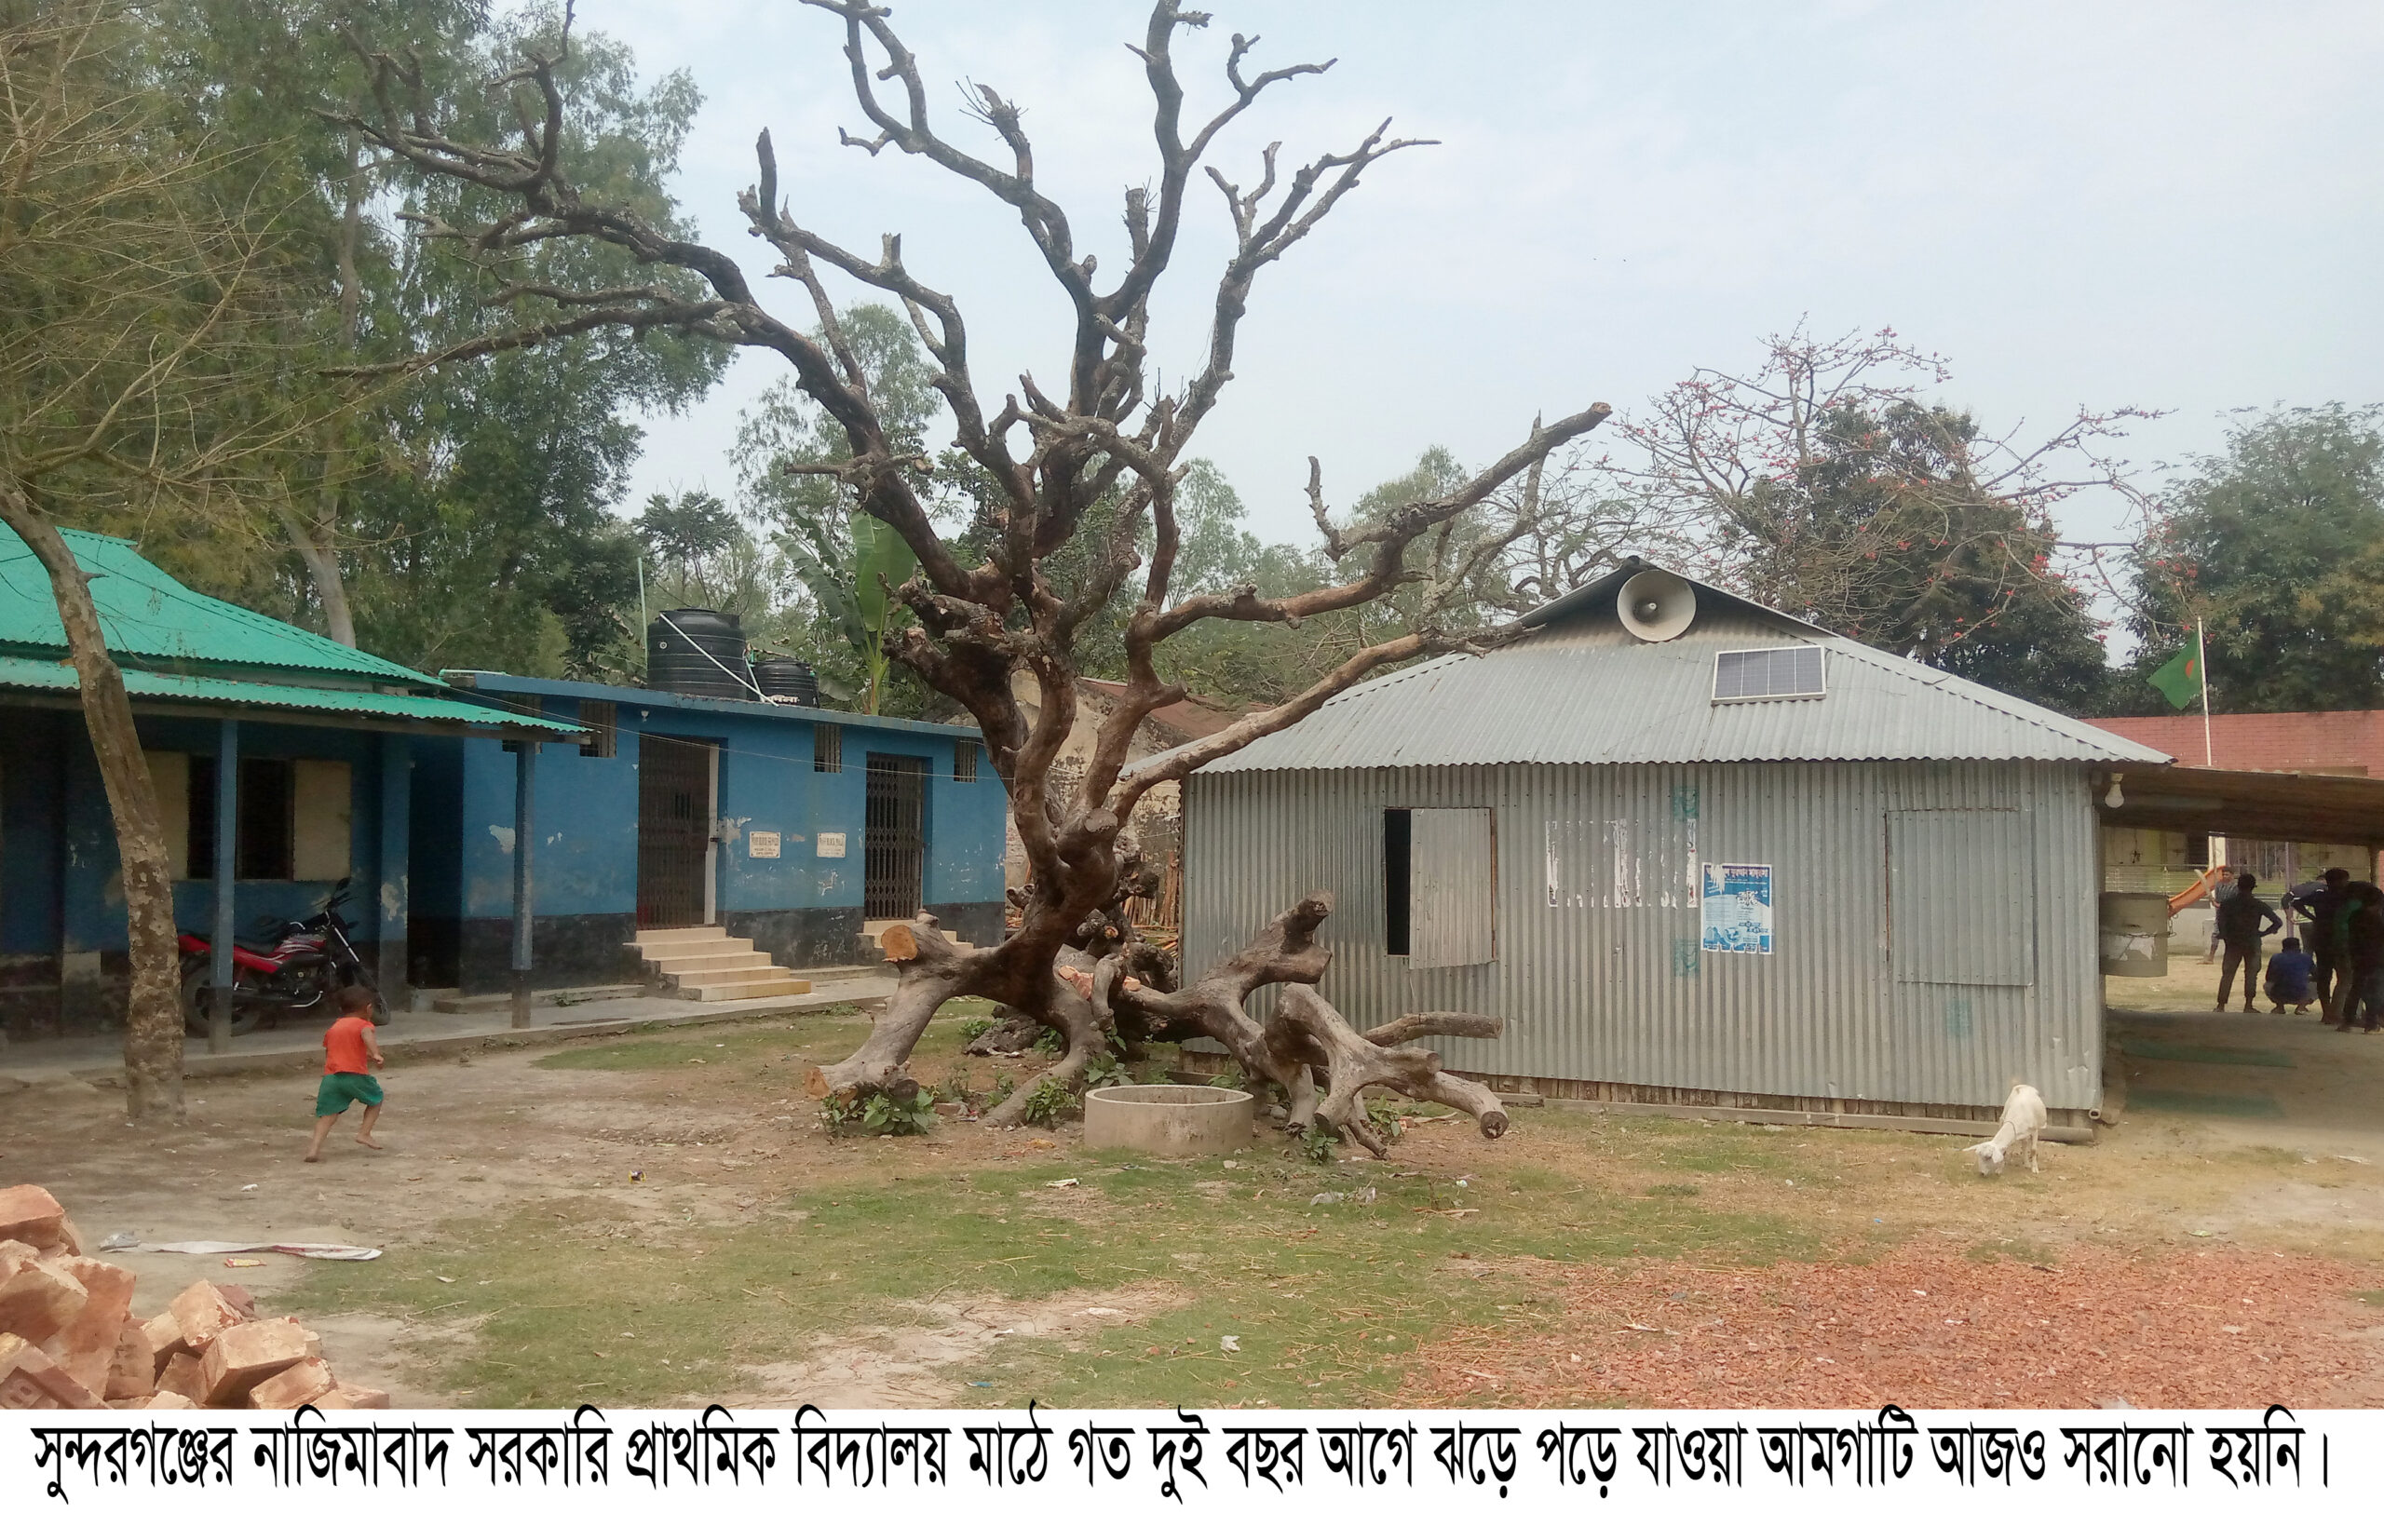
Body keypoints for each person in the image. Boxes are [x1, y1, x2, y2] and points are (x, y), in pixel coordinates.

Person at [304, 985, 386, 1162]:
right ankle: (364, 1133)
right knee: (376, 1099)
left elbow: (332, 1051)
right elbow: (366, 1034)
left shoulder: (334, 1027)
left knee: (327, 1115)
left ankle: (313, 1150)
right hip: (354, 1074)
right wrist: (375, 1054)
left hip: (331, 1077)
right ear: (368, 1008)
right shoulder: (364, 1024)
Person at [2291, 867, 2353, 1023]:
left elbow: (2297, 903)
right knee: (2344, 976)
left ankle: (2327, 1012)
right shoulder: (2345, 897)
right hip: (2339, 939)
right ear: (2340, 881)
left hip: (2321, 938)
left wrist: (2313, 917)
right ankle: (2337, 1011)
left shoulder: (2320, 896)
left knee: (2324, 976)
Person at [2213, 871, 2281, 1013]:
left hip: (2233, 942)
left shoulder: (2227, 904)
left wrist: (2225, 936)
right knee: (2251, 974)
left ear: (2238, 886)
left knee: (2228, 973)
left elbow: (2221, 922)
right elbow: (2277, 922)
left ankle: (2221, 1004)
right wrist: (2263, 933)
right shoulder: (2257, 904)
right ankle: (2248, 1004)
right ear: (2253, 887)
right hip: (2252, 941)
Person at [2340, 882, 2384, 1034]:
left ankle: (2347, 1022)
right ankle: (2371, 1023)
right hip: (2377, 959)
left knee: (2356, 990)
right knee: (2375, 991)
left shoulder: (2355, 916)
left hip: (2358, 957)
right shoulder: (2377, 919)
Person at [2264, 937, 2316, 1014]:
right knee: (2319, 984)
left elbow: (2268, 978)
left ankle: (2279, 1007)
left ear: (2283, 948)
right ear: (2298, 947)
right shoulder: (2306, 957)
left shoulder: (2275, 957)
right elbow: (2317, 976)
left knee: (2267, 985)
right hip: (2301, 993)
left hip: (2279, 993)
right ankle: (2301, 1007)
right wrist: (2305, 978)